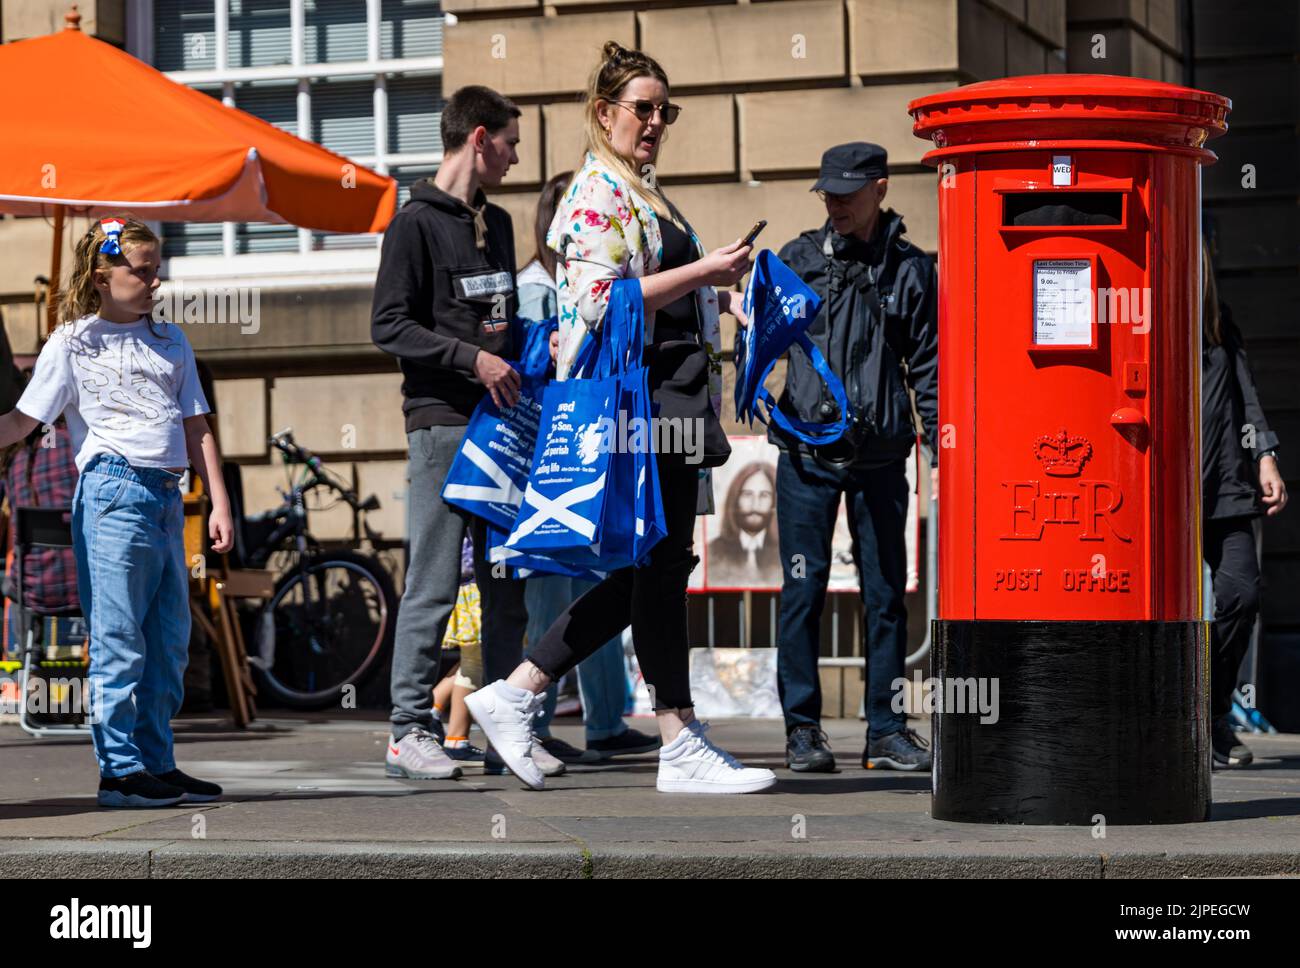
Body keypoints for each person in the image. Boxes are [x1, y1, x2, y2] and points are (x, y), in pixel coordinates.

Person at [466, 41, 775, 794]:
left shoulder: (644, 190)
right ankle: (675, 737)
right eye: (644, 108)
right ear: (604, 113)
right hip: (638, 403)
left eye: (665, 109)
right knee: (658, 569)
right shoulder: (596, 193)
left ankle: (519, 693)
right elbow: (598, 303)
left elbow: (657, 290)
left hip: (673, 394)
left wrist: (724, 299)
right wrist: (705, 270)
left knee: (654, 568)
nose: (657, 121)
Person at [0, 216, 233, 808]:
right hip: (112, 494)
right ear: (103, 277)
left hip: (165, 498)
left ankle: (156, 761)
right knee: (119, 636)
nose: (156, 281)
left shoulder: (172, 340)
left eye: (158, 270)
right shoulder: (72, 341)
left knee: (168, 639)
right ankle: (120, 772)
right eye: (143, 271)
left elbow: (196, 426)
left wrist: (218, 502)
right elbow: (24, 423)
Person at [371, 85, 531, 782]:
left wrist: (528, 355)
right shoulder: (413, 225)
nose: (515, 155)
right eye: (509, 141)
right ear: (477, 138)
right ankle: (408, 729)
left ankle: (505, 728)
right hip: (441, 425)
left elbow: (504, 322)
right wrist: (472, 358)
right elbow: (389, 325)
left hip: (500, 425)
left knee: (505, 584)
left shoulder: (497, 224)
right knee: (434, 582)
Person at [769, 143, 938, 773]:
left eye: (847, 191)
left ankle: (887, 730)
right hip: (806, 455)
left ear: (881, 189)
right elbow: (758, 340)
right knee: (802, 588)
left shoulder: (912, 271)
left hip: (881, 456)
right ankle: (803, 731)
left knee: (886, 594)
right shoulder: (798, 259)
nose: (836, 202)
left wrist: (942, 442)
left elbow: (928, 364)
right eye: (828, 193)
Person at [515, 170, 660, 765]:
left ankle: (605, 721)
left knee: (597, 588)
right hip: (550, 454)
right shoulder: (534, 287)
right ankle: (532, 720)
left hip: (588, 442)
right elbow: (524, 365)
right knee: (550, 596)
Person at [1200, 238, 1287, 768]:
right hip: (1156, 495)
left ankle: (1210, 711)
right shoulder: (1138, 314)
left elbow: (1245, 393)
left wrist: (1266, 456)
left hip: (1226, 484)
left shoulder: (1217, 321)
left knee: (1241, 595)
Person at [706, 460, 780, 587]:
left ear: (774, 501)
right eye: (747, 494)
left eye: (764, 495)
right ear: (735, 498)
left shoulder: (784, 553)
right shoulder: (712, 551)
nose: (755, 504)